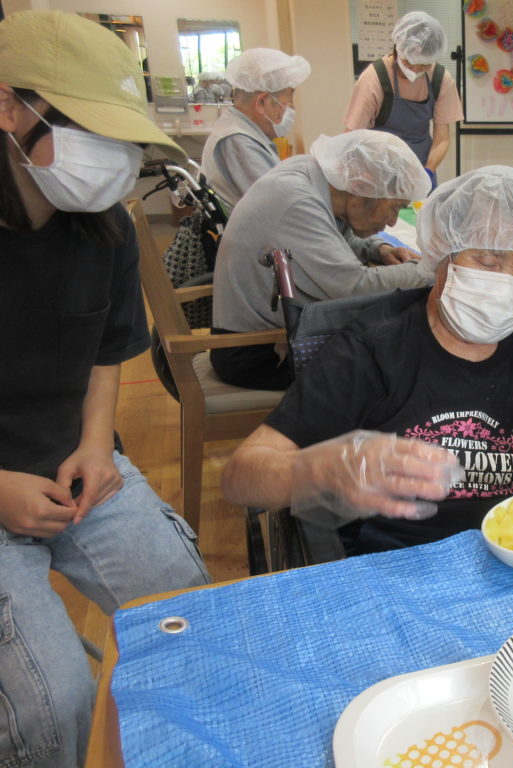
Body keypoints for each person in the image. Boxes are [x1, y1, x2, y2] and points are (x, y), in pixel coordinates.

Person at [0, 11, 211, 768]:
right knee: (52, 701)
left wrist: (96, 446)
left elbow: (104, 355)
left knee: (190, 610)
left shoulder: (107, 230)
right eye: (89, 129)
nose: (113, 159)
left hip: (73, 466)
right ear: (9, 108)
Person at [220, 166, 513, 554]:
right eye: (487, 261)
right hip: (401, 560)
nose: (504, 282)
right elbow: (242, 477)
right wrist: (316, 471)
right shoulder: (373, 349)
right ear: (441, 254)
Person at [211, 129, 430, 390]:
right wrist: (430, 269)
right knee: (401, 370)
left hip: (265, 338)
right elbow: (356, 287)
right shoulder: (296, 201)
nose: (392, 221)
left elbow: (329, 234)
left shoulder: (308, 174)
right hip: (259, 354)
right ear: (364, 190)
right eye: (395, 207)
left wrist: (378, 249)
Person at [344, 11, 463, 190]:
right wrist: (363, 175)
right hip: (378, 170)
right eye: (408, 62)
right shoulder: (375, 78)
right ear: (398, 49)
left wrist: (428, 171)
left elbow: (442, 139)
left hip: (419, 169)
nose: (415, 70)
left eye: (423, 65)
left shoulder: (440, 79)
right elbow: (351, 137)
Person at [201, 48, 311, 210]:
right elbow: (281, 207)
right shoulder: (238, 141)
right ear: (262, 102)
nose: (292, 108)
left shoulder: (242, 131)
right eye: (288, 100)